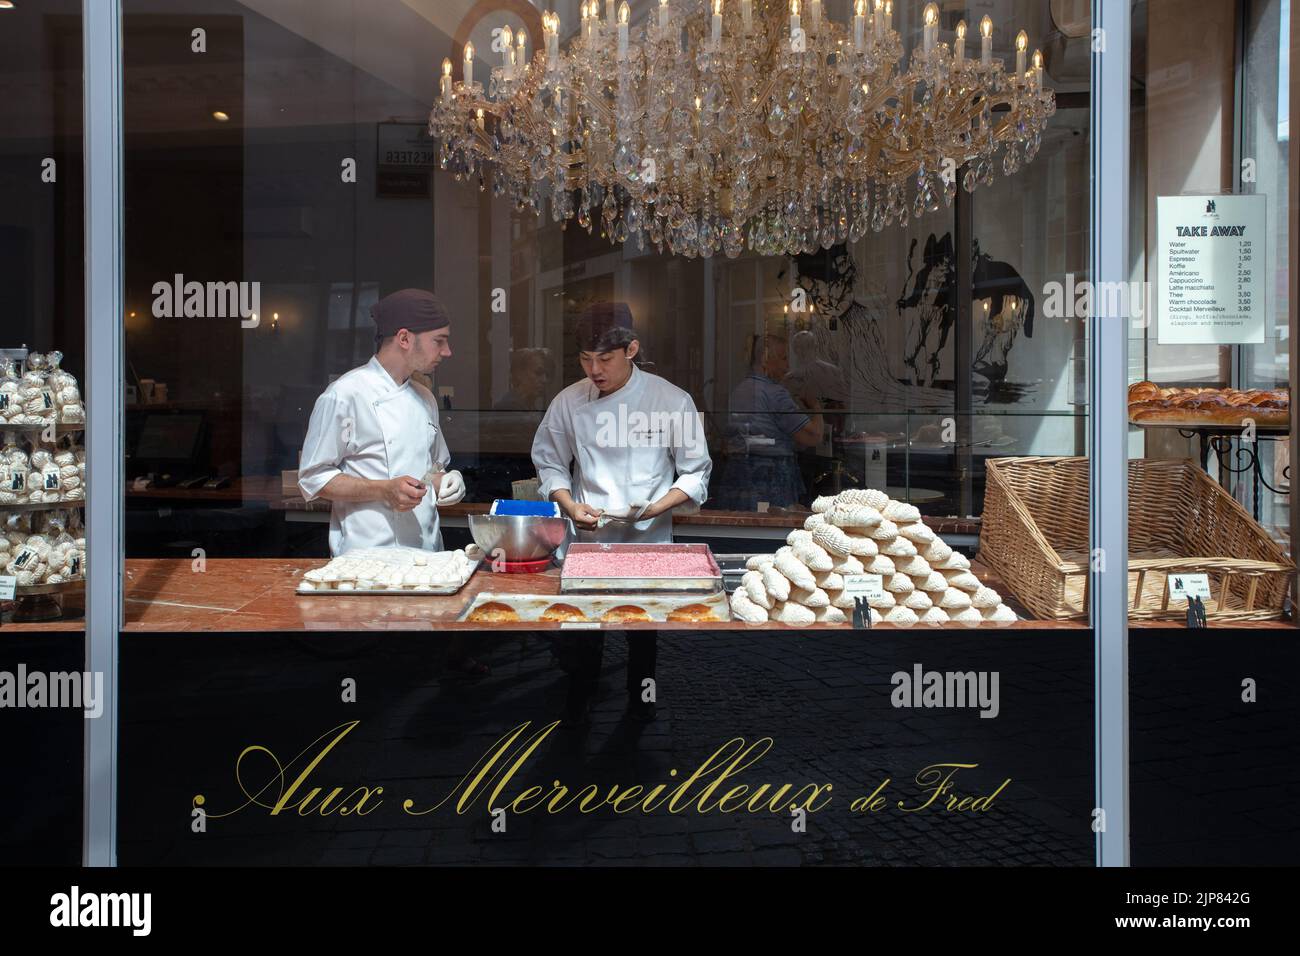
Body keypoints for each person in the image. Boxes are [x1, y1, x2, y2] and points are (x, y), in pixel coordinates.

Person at [532, 303, 712, 723]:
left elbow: (696, 472)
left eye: (605, 359)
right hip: (588, 540)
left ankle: (640, 711)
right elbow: (549, 462)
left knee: (642, 632)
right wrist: (570, 505)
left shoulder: (672, 400)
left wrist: (654, 508)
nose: (594, 370)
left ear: (631, 349)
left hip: (647, 542)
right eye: (585, 359)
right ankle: (577, 712)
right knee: (582, 632)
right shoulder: (568, 402)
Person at [297, 288, 467, 554]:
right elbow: (313, 477)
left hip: (427, 555)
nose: (447, 352)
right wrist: (384, 490)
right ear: (404, 338)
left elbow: (431, 469)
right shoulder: (345, 395)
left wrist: (445, 481)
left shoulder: (425, 398)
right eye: (439, 341)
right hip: (364, 556)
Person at [717, 332, 824, 510]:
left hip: (739, 476)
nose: (788, 366)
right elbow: (813, 436)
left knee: (742, 521)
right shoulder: (776, 394)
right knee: (771, 522)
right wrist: (815, 405)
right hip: (770, 477)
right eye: (783, 358)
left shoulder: (739, 390)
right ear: (765, 359)